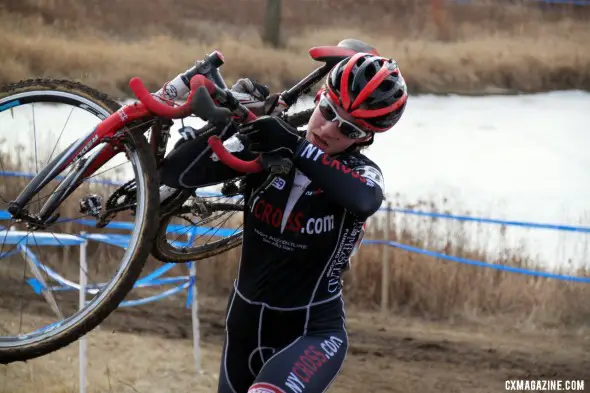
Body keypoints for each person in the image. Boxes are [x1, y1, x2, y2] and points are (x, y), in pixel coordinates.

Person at [159, 50, 408, 393]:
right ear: (319, 98)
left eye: (348, 128)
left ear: (364, 138)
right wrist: (227, 121)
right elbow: (177, 173)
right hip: (244, 323)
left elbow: (365, 200)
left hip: (312, 333)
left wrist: (294, 143)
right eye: (328, 112)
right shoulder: (267, 149)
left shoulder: (359, 173)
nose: (330, 129)